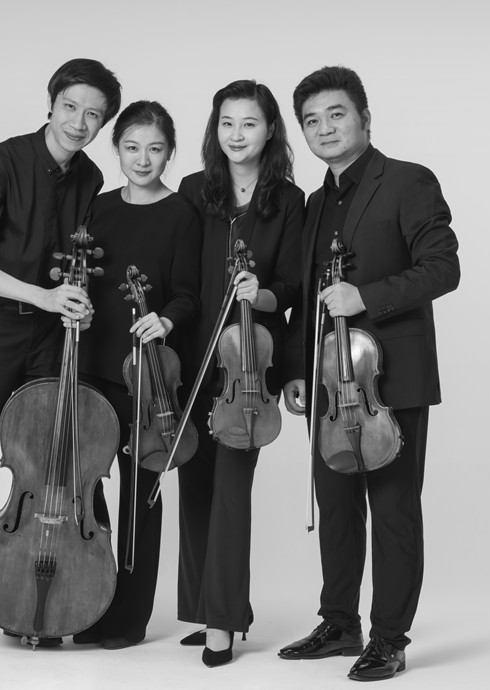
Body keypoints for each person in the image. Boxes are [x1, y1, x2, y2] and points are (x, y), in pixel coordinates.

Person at [0, 58, 122, 646]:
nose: (79, 122)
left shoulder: (89, 179)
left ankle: (66, 594)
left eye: (94, 115)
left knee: (62, 463)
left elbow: (77, 266)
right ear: (51, 103)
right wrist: (43, 296)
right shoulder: (0, 162)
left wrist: (76, 304)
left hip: (53, 334)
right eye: (71, 107)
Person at [278, 66, 460, 681]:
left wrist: (367, 297)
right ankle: (338, 623)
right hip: (329, 382)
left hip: (391, 378)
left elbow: (443, 268)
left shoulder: (408, 181)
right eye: (311, 121)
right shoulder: (313, 202)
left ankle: (388, 638)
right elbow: (308, 293)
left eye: (336, 114)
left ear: (364, 118)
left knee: (393, 509)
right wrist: (297, 368)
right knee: (335, 505)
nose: (324, 129)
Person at [177, 80, 304, 667]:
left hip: (248, 366)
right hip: (194, 359)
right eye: (226, 123)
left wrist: (264, 294)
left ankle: (224, 621)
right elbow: (181, 277)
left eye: (249, 123)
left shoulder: (289, 201)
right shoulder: (193, 191)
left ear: (270, 129)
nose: (236, 134)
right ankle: (208, 607)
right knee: (196, 489)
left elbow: (295, 288)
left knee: (230, 493)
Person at [72, 101, 201, 650]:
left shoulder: (182, 214)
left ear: (170, 153)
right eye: (131, 147)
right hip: (91, 366)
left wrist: (165, 318)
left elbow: (190, 293)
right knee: (85, 490)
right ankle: (90, 601)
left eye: (154, 148)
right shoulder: (97, 208)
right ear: (117, 149)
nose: (142, 159)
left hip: (147, 377)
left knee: (141, 495)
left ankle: (128, 617)